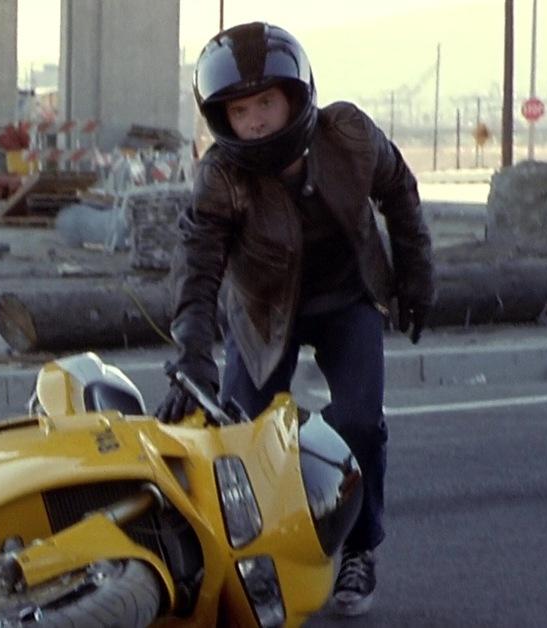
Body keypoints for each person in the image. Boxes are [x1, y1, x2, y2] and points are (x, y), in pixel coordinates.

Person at [156, 22, 436, 617]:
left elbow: (399, 189)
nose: (255, 121)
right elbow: (196, 268)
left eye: (265, 102)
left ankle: (359, 549)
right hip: (261, 314)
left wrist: (416, 273)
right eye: (239, 110)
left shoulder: (350, 133)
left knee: (359, 423)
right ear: (222, 118)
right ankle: (248, 560)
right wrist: (192, 356)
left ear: (295, 96)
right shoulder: (221, 176)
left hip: (347, 299)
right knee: (237, 437)